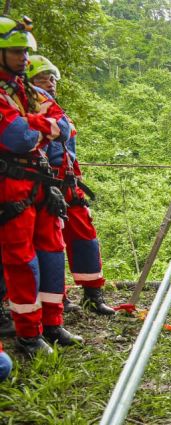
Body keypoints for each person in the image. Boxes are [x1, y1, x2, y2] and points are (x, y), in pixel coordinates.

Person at [0, 16, 81, 356]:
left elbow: (62, 124)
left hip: (42, 180)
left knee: (51, 252)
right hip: (12, 184)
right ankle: (29, 334)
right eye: (16, 52)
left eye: (24, 52)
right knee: (22, 260)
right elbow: (18, 138)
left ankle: (52, 323)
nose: (23, 58)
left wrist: (40, 125)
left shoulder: (26, 92)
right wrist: (42, 126)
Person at [27, 55, 114, 317]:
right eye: (43, 77)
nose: (50, 82)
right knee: (48, 243)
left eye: (53, 77)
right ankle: (56, 299)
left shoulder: (57, 111)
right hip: (43, 183)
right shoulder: (27, 107)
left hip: (68, 181)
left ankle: (92, 294)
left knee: (84, 235)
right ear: (31, 81)